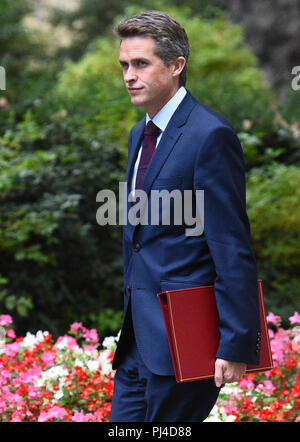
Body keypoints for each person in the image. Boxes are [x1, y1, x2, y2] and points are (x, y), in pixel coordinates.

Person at [110, 10, 261, 422]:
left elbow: (230, 245)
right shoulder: (138, 134)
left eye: (141, 64)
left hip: (186, 340)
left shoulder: (210, 135)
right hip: (137, 343)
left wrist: (235, 343)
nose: (128, 75)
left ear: (177, 66)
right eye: (124, 64)